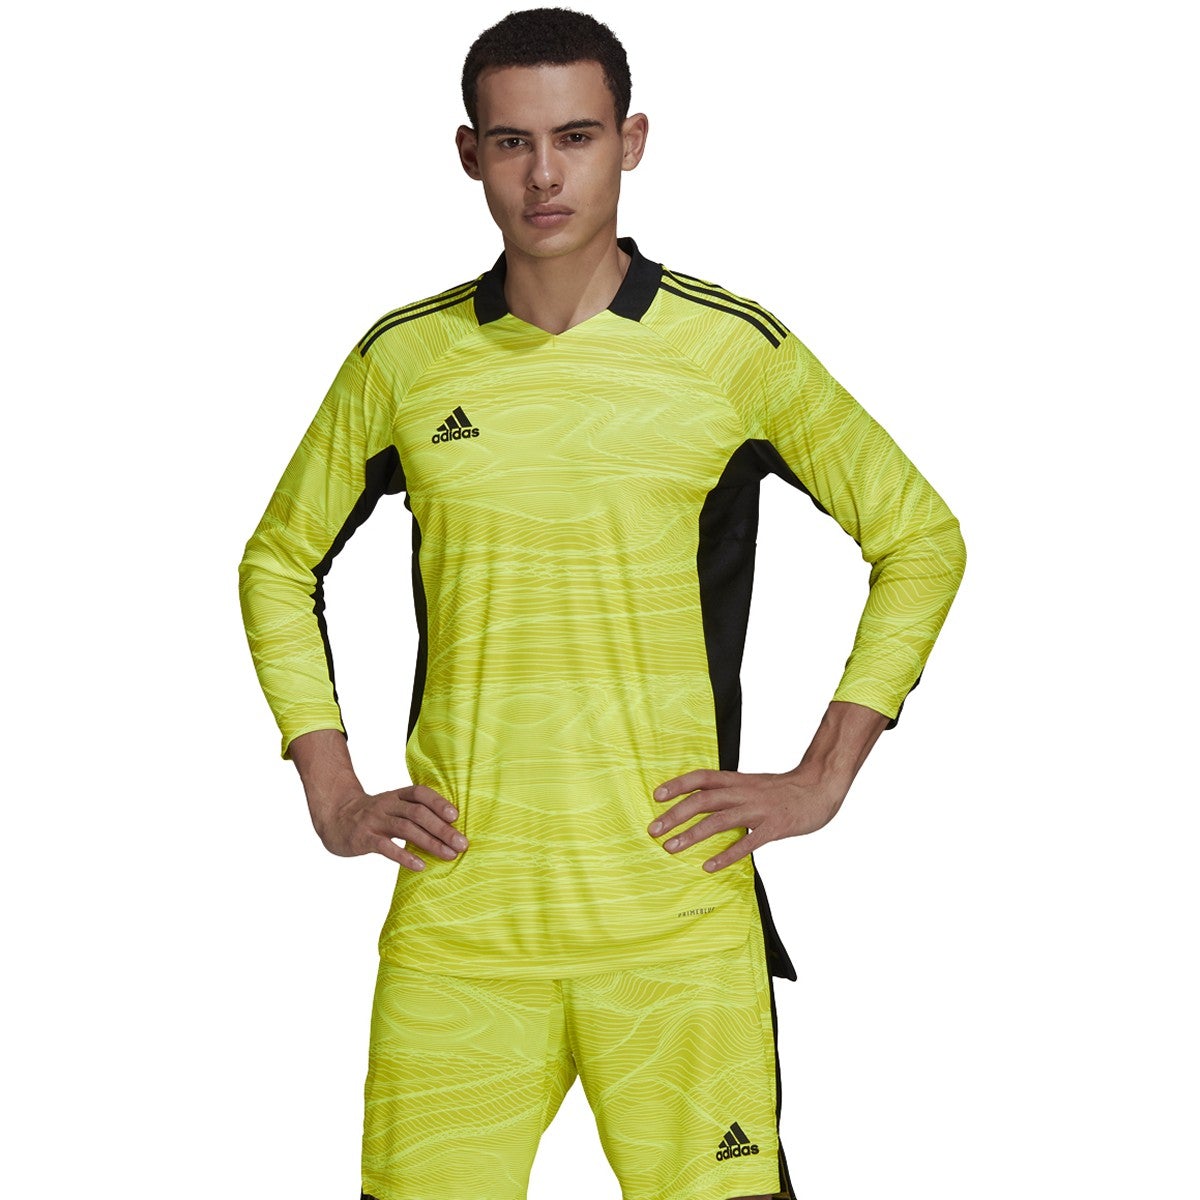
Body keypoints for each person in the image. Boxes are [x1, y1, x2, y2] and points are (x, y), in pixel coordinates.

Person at [238, 8, 966, 1200]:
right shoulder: (404, 362)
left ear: (630, 142)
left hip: (674, 923)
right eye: (512, 142)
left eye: (574, 136)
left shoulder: (731, 352)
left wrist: (822, 775)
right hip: (463, 926)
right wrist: (330, 788)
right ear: (469, 154)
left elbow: (920, 538)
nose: (544, 175)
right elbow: (278, 561)